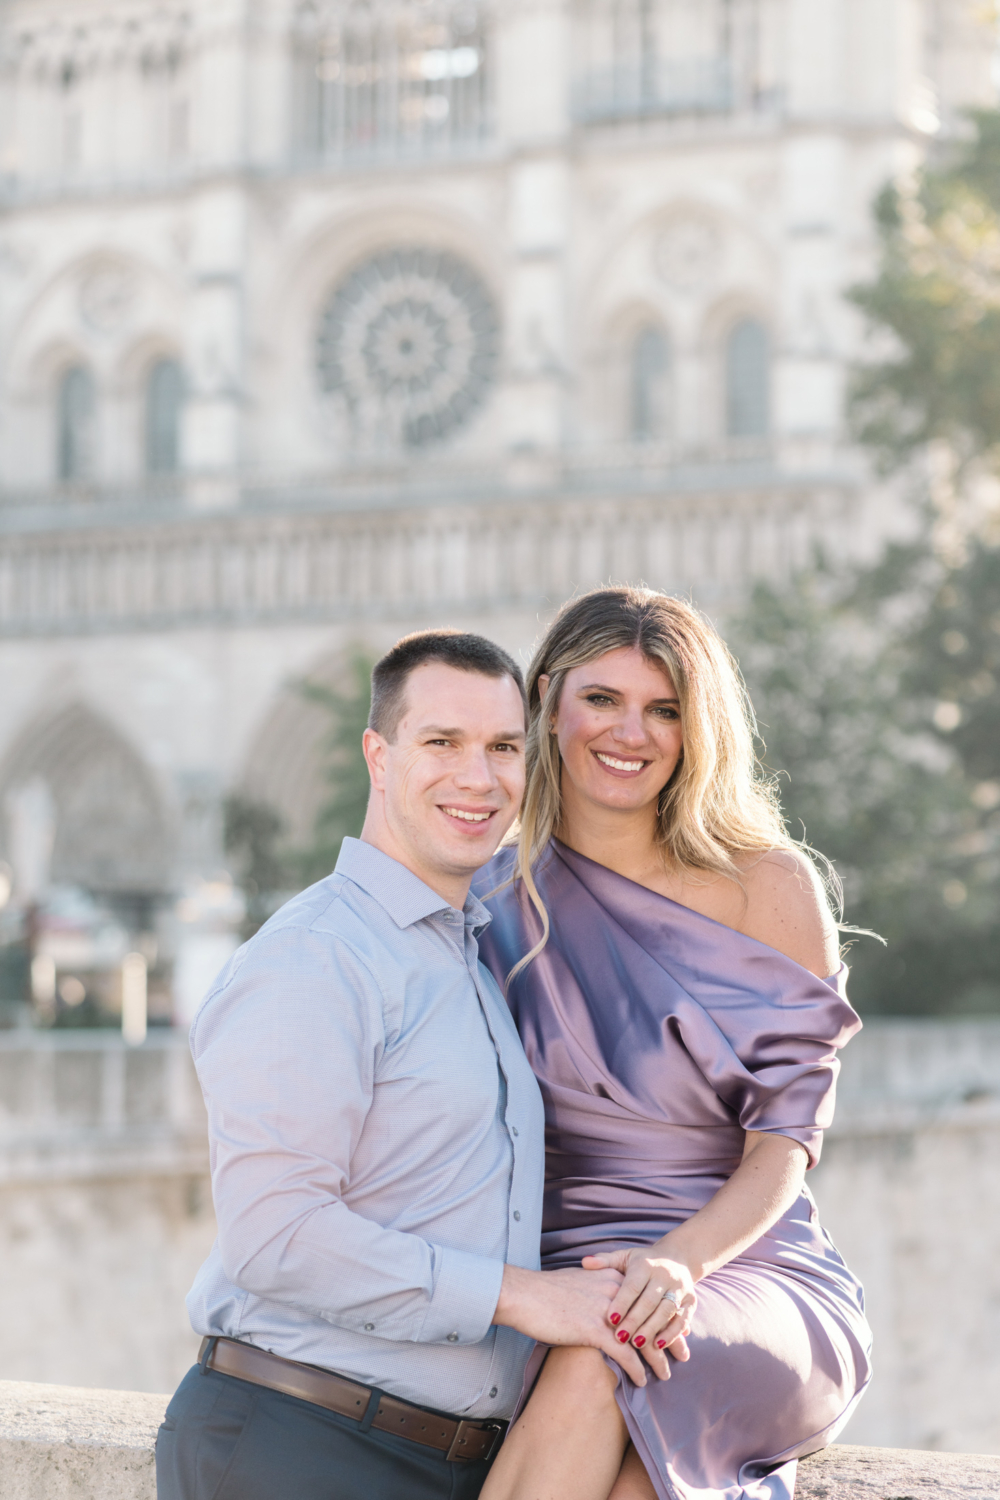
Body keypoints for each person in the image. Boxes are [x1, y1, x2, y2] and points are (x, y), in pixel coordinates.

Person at [156, 629, 647, 1500]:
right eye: (442, 743)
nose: (478, 776)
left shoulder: (470, 958)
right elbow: (275, 1236)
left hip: (438, 1461)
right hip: (301, 1448)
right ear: (378, 758)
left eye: (503, 747)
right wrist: (521, 1297)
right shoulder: (316, 958)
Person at [474, 588, 873, 1500]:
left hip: (744, 1265)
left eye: (665, 709)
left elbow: (787, 1145)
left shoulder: (765, 885)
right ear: (547, 701)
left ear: (698, 729)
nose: (633, 732)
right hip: (560, 1276)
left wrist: (679, 1259)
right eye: (602, 700)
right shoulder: (485, 895)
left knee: (610, 1348)